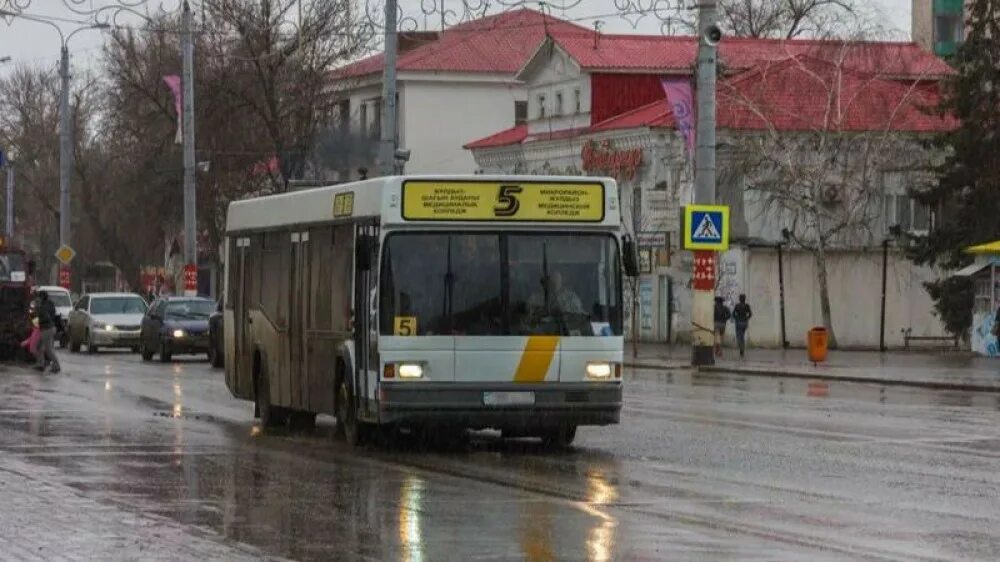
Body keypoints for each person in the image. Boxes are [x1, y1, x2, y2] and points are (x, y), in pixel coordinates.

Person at [34, 291, 61, 374]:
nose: (37, 299)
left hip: (47, 329)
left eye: (38, 297)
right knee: (39, 346)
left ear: (41, 298)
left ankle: (56, 366)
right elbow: (52, 314)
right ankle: (40, 364)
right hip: (50, 328)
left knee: (48, 349)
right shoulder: (49, 304)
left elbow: (45, 318)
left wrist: (36, 320)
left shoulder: (42, 307)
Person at [732, 294, 753, 358]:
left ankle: (741, 348)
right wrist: (747, 318)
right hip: (744, 323)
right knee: (742, 336)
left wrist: (736, 318)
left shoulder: (737, 306)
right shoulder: (747, 306)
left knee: (739, 336)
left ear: (740, 299)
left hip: (738, 322)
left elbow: (733, 314)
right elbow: (750, 314)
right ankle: (742, 348)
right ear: (744, 299)